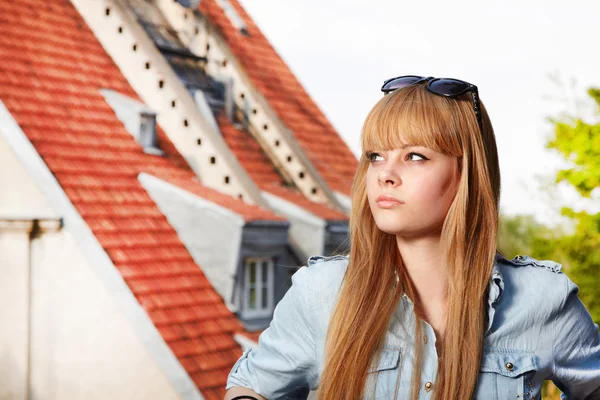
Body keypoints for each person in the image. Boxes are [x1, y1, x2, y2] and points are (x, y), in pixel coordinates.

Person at [223, 76, 600, 399]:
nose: (385, 174)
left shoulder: (543, 300)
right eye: (375, 155)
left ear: (467, 173)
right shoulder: (321, 294)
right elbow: (250, 385)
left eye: (415, 156)